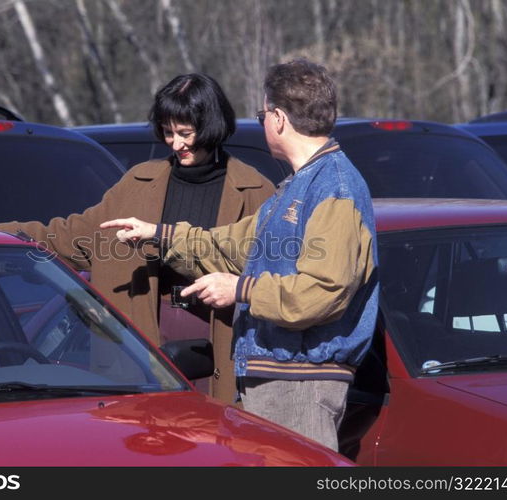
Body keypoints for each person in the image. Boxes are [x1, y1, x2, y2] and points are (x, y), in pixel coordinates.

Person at [0, 73, 275, 403]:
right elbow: (70, 236)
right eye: (168, 132)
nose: (176, 143)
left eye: (185, 132)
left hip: (224, 345)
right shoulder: (138, 183)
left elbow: (280, 276)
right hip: (144, 349)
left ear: (211, 127)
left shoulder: (256, 190)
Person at [100, 58, 378, 452]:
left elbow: (324, 292)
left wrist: (241, 289)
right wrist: (158, 235)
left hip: (301, 383)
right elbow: (228, 246)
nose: (263, 122)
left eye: (263, 114)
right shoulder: (295, 188)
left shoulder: (334, 188)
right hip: (275, 381)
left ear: (279, 119)